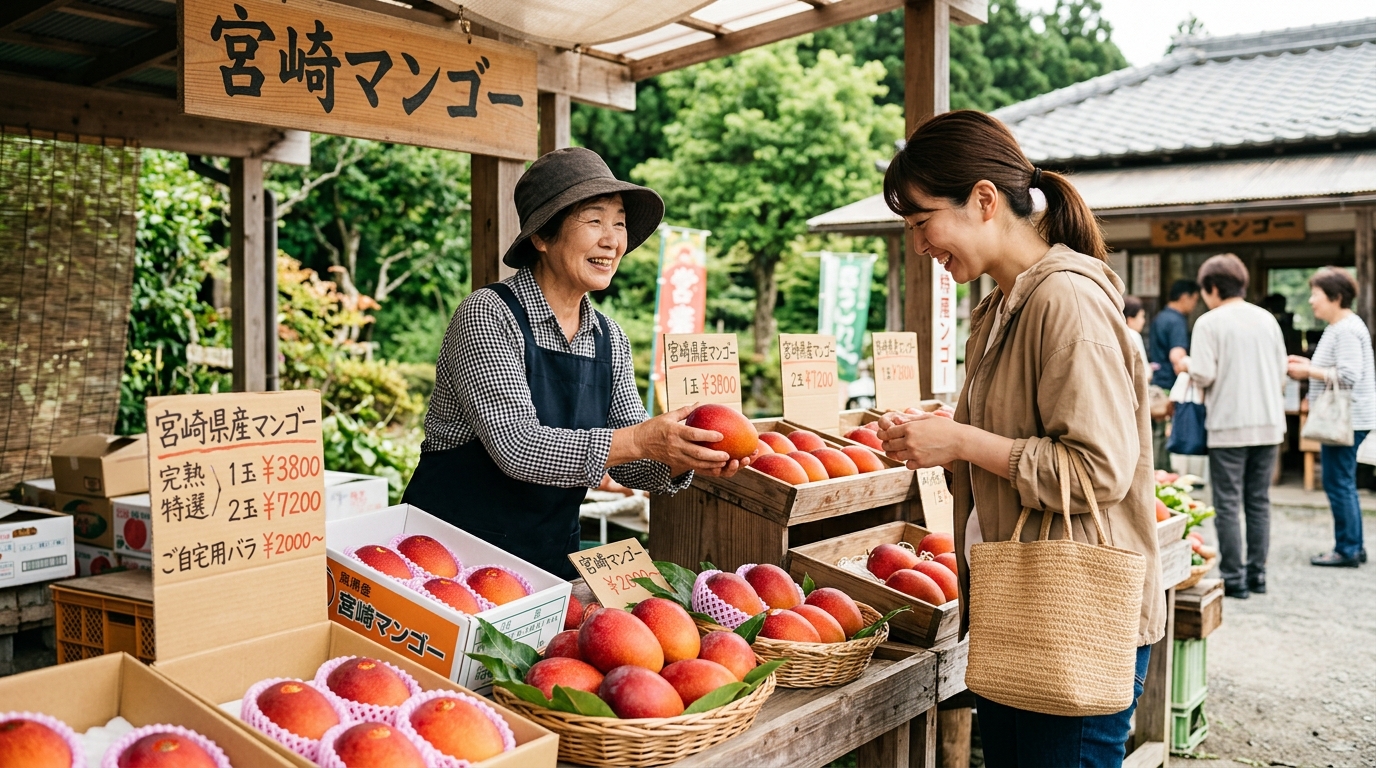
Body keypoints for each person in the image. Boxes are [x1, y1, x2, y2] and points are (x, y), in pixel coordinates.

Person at [874, 110, 1163, 766]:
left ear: (982, 200)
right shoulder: (1001, 306)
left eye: (922, 224)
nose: (919, 246)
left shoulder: (1065, 301)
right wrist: (939, 434)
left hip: (1072, 619)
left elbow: (1096, 471)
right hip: (1023, 609)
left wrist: (961, 443)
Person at [403, 148, 745, 579]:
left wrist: (684, 453)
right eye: (594, 220)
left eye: (619, 222)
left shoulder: (610, 337)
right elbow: (518, 447)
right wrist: (641, 440)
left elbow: (633, 461)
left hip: (543, 561)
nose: (612, 239)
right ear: (542, 238)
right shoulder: (488, 314)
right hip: (446, 556)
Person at [1177, 254, 1287, 598]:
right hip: (1269, 424)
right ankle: (1258, 575)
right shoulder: (1267, 319)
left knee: (1226, 502)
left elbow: (1205, 373)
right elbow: (1282, 371)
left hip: (1228, 425)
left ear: (1211, 288)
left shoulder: (1209, 322)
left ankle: (1235, 580)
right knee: (1258, 501)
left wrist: (1185, 364)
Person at [1286, 267, 1374, 567]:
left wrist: (1307, 371)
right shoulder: (1343, 326)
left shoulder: (1346, 329)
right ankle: (1353, 545)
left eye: (1316, 295)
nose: (1311, 301)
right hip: (1350, 417)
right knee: (1342, 482)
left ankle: (1347, 549)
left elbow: (1349, 375)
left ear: (1336, 297)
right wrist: (1309, 364)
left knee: (1339, 483)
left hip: (1347, 418)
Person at [1149, 280, 1199, 469]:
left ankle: (1157, 475)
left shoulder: (1160, 317)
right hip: (1170, 385)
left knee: (1156, 433)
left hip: (1157, 382)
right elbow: (1177, 357)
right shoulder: (1176, 320)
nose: (1194, 305)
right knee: (1164, 435)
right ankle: (1161, 475)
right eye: (1194, 299)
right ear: (1184, 297)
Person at [1123, 295, 1150, 370]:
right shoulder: (1133, 335)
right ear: (1130, 320)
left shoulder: (1115, 334)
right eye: (1141, 316)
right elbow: (1144, 371)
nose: (1143, 321)